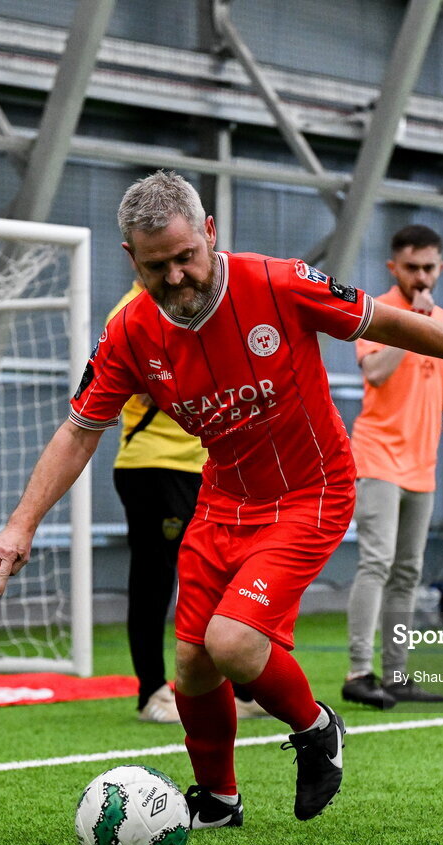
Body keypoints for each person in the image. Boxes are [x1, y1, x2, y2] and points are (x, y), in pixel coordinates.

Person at [0, 170, 443, 829]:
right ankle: (219, 799)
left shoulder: (276, 283)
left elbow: (390, 324)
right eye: (157, 265)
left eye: (187, 257)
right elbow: (79, 430)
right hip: (222, 504)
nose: (177, 278)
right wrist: (20, 525)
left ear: (211, 235)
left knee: (233, 643)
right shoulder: (130, 332)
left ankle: (317, 728)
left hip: (311, 491)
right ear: (131, 259)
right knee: (190, 664)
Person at [342, 225, 443, 709]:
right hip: (378, 456)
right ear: (394, 268)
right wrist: (413, 325)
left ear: (440, 268)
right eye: (412, 268)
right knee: (377, 562)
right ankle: (358, 672)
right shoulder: (377, 310)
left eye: (429, 267)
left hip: (421, 464)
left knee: (408, 570)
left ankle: (398, 675)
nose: (422, 276)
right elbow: (375, 371)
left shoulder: (442, 317)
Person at [109, 278, 268, 724]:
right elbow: (140, 388)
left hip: (206, 467)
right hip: (154, 466)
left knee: (222, 573)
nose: (178, 272)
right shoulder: (131, 311)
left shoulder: (195, 306)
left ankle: (242, 689)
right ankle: (151, 692)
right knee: (155, 577)